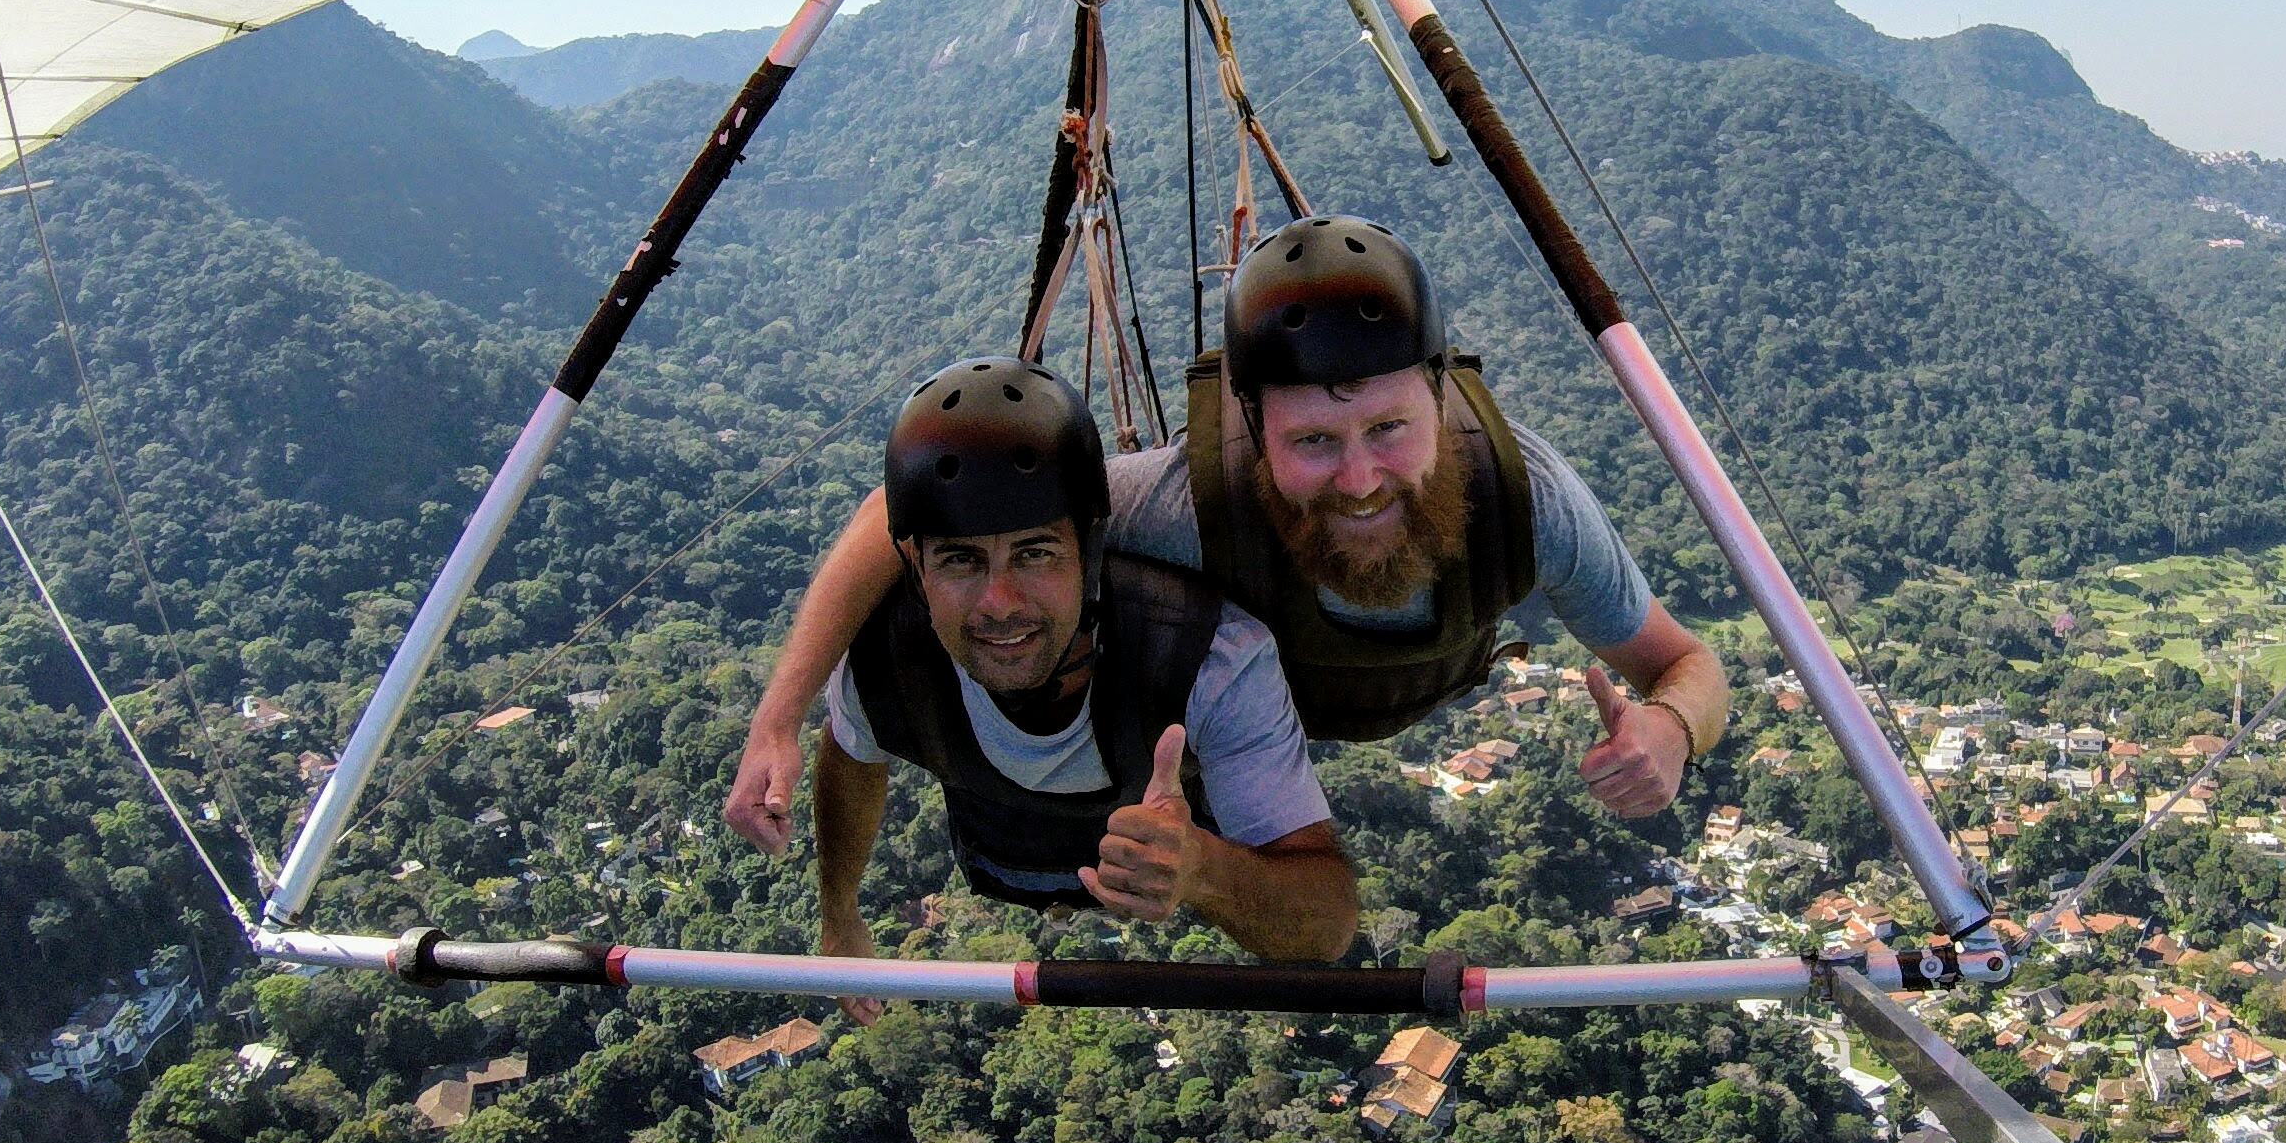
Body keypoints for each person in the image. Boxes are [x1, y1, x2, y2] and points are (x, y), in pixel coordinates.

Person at [729, 217, 1728, 855]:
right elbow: (898, 518)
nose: (1360, 480)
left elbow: (1686, 663)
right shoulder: (1181, 505)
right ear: (1252, 428)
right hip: (1251, 739)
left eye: (1389, 430)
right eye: (1313, 442)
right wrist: (781, 718)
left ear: (1440, 397)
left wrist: (1670, 730)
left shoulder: (1526, 504)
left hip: (1420, 687)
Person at [803, 359, 1357, 998]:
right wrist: (840, 914)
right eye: (961, 560)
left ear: (1090, 549)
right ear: (915, 566)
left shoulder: (1210, 659)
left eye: (1035, 553)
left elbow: (1327, 926)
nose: (1000, 602)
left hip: (1143, 832)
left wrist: (1203, 868)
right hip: (1002, 857)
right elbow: (850, 753)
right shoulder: (886, 658)